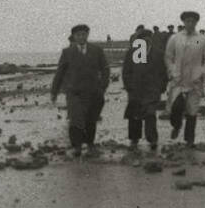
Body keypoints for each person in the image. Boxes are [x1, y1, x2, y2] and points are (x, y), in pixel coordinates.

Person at [50, 24, 110, 155]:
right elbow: (60, 73)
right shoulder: (67, 52)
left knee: (91, 119)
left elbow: (105, 69)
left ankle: (90, 145)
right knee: (75, 119)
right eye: (78, 35)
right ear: (74, 37)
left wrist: (102, 87)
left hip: (94, 92)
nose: (81, 37)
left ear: (87, 35)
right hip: (74, 93)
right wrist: (54, 92)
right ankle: (77, 146)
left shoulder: (97, 50)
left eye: (84, 34)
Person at [165, 10, 205, 148]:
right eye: (187, 21)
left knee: (192, 111)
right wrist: (172, 70)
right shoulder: (175, 38)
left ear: (196, 22)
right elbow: (168, 57)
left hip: (195, 80)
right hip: (178, 80)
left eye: (193, 21)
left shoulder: (202, 39)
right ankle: (176, 125)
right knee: (176, 106)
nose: (190, 23)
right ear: (183, 22)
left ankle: (189, 140)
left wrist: (202, 73)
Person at [122, 25, 166, 152]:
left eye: (148, 39)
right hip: (135, 90)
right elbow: (126, 71)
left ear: (151, 40)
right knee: (135, 116)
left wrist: (162, 87)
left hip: (152, 91)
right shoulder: (132, 53)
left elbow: (164, 73)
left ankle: (152, 140)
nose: (146, 42)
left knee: (150, 114)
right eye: (142, 39)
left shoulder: (158, 54)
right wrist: (129, 86)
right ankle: (134, 140)